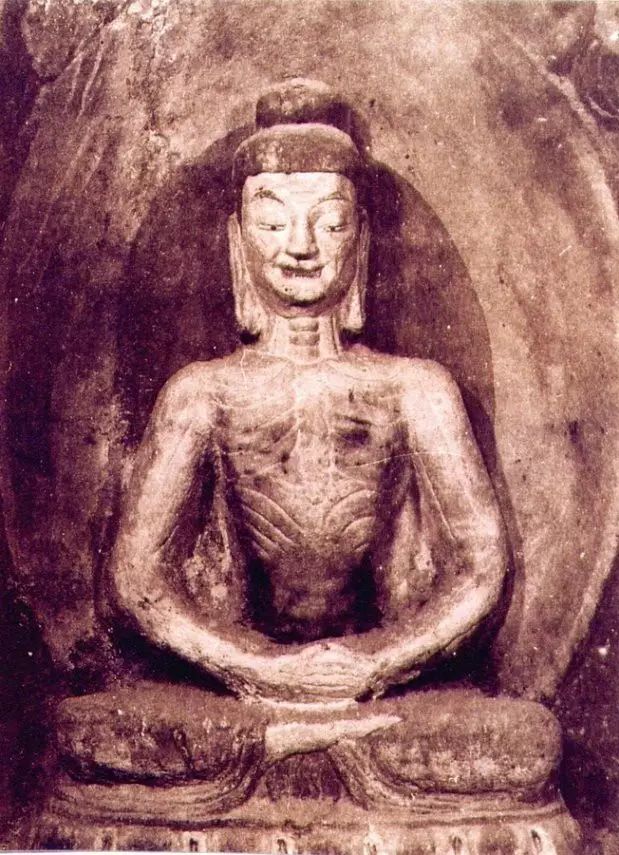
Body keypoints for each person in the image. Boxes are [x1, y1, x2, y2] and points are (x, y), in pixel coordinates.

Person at [109, 78, 508, 709]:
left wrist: (377, 662)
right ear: (238, 241)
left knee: (516, 741)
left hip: (383, 684)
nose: (300, 245)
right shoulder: (201, 395)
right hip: (240, 681)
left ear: (361, 240)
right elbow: (138, 580)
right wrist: (257, 667)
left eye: (329, 221)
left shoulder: (416, 390)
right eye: (273, 222)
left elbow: (481, 568)